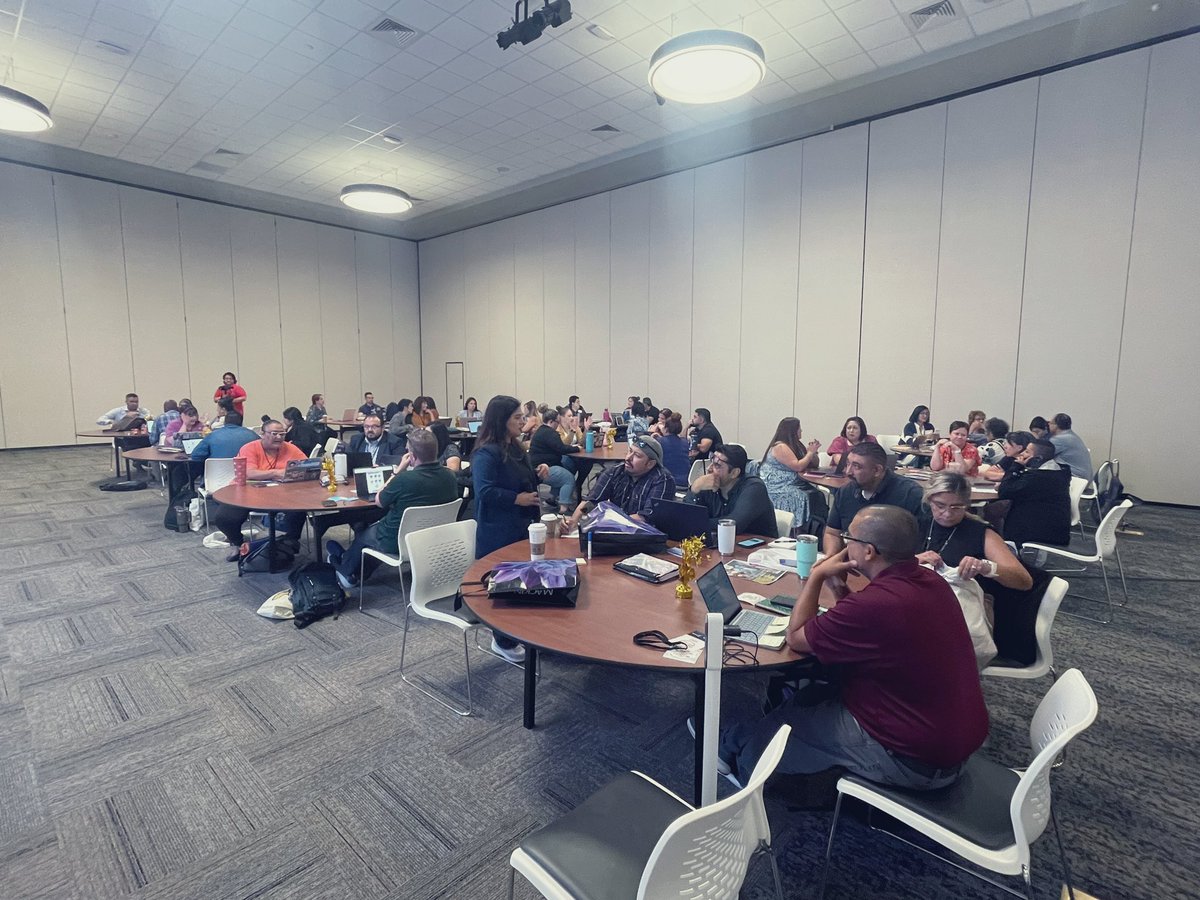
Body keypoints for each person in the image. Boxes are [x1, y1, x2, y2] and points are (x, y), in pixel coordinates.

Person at [717, 506, 988, 789]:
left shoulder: (878, 604)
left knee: (786, 726)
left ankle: (744, 771)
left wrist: (817, 575)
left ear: (868, 552)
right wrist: (838, 589)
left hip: (914, 761)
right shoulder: (930, 581)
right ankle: (737, 739)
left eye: (850, 538)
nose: (845, 544)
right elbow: (872, 630)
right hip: (948, 738)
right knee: (812, 694)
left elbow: (796, 637)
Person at [472, 396, 554, 663]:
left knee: (526, 580)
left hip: (522, 524)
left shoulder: (516, 447)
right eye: (517, 417)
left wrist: (537, 473)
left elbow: (521, 478)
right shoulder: (486, 452)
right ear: (502, 421)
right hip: (499, 529)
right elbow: (484, 492)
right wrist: (515, 498)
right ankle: (502, 639)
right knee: (505, 585)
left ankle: (521, 631)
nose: (523, 421)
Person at [325, 428, 459, 591]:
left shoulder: (404, 479)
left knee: (364, 536)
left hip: (396, 541)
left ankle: (347, 572)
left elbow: (379, 500)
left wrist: (397, 470)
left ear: (412, 456)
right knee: (372, 536)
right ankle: (355, 566)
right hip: (432, 538)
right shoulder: (450, 477)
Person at [916, 473, 1031, 590]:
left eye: (956, 507)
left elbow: (1024, 581)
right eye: (940, 506)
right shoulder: (916, 524)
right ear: (929, 500)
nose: (947, 514)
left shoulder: (982, 533)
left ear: (966, 505)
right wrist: (914, 561)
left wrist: (985, 567)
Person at [211, 420, 307, 559]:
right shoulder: (249, 448)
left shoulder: (290, 448)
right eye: (274, 434)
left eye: (282, 434)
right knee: (224, 517)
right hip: (248, 492)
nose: (279, 437)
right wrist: (276, 473)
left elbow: (304, 466)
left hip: (283, 493)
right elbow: (249, 472)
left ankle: (289, 541)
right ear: (262, 434)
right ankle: (237, 543)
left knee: (299, 508)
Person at [823, 442, 923, 564]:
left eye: (856, 466)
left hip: (894, 571)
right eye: (847, 463)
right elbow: (832, 533)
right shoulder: (846, 492)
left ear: (877, 470)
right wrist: (832, 560)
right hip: (852, 566)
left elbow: (920, 546)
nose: (848, 472)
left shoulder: (910, 495)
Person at [563, 434, 676, 531]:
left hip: (646, 538)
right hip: (617, 532)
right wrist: (573, 522)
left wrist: (608, 522)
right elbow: (591, 502)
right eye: (630, 451)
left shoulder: (663, 479)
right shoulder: (615, 472)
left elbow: (647, 518)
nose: (628, 458)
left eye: (637, 455)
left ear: (650, 464)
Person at [684, 444, 777, 538]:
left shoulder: (754, 488)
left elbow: (734, 524)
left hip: (758, 548)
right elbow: (685, 515)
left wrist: (697, 523)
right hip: (721, 545)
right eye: (711, 462)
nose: (709, 469)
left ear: (734, 473)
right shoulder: (709, 484)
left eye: (717, 465)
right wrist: (694, 488)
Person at [996, 439, 1072, 548]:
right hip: (1051, 525)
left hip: (1040, 532)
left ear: (1038, 459)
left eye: (1027, 452)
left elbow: (1004, 492)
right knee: (995, 509)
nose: (1022, 454)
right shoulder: (1056, 471)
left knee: (998, 509)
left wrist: (1016, 466)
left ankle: (1002, 548)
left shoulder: (1041, 476)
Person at [759, 418, 823, 530]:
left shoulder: (796, 445)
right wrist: (809, 453)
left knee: (817, 495)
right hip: (778, 486)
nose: (801, 430)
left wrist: (813, 454)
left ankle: (816, 529)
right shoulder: (780, 446)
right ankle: (801, 529)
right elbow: (798, 466)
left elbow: (814, 464)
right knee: (805, 496)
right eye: (799, 428)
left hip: (793, 482)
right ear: (793, 430)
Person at [528, 408, 578, 509]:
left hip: (538, 466)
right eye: (557, 422)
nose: (558, 424)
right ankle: (563, 508)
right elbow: (561, 448)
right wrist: (577, 448)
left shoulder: (541, 430)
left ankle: (553, 498)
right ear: (551, 421)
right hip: (542, 468)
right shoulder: (550, 433)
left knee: (568, 465)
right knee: (569, 478)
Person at [1047, 413, 1093, 481]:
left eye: (1050, 423)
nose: (1048, 425)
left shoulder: (1059, 439)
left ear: (1056, 425)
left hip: (1076, 479)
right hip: (1084, 478)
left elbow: (1042, 455)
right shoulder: (1071, 436)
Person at [658, 413, 691, 486]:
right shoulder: (685, 442)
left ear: (666, 429)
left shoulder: (660, 441)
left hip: (667, 481)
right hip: (685, 481)